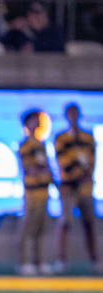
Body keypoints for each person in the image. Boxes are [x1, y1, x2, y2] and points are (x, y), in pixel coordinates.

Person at [53, 103, 100, 274]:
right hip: (68, 187)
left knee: (89, 223)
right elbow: (63, 162)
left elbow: (92, 159)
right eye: (70, 114)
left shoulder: (88, 137)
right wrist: (77, 170)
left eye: (75, 113)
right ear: (66, 116)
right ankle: (61, 259)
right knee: (64, 223)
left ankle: (95, 259)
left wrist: (84, 171)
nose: (73, 117)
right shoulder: (61, 138)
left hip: (86, 187)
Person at [16, 110, 53, 276]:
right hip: (31, 192)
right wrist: (41, 171)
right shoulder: (26, 145)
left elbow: (45, 167)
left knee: (40, 228)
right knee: (28, 227)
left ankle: (38, 260)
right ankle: (24, 261)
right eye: (34, 120)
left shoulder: (41, 144)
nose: (38, 122)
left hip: (43, 191)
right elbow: (30, 168)